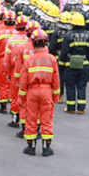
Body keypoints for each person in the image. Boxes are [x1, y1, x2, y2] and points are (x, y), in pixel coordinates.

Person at [19, 29, 60, 157]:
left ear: (33, 43)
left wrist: (22, 97)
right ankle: (46, 148)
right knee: (46, 119)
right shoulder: (52, 59)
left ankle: (31, 147)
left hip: (32, 91)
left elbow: (23, 81)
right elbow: (56, 80)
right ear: (45, 43)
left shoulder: (29, 60)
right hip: (47, 91)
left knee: (31, 118)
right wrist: (55, 97)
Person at [59, 12, 89, 114]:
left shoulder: (69, 36)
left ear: (72, 23)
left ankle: (71, 108)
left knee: (70, 86)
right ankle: (81, 108)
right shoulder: (88, 35)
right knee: (82, 86)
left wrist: (61, 65)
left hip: (71, 66)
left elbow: (64, 52)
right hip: (84, 65)